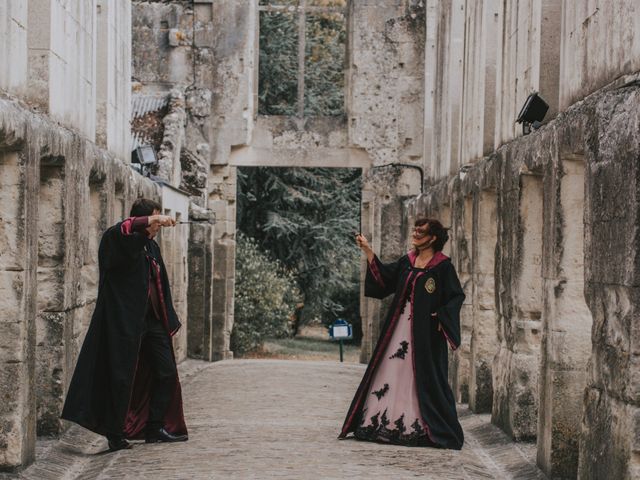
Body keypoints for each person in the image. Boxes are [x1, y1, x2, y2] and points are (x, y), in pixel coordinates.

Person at [61, 198, 188, 451]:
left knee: (166, 372)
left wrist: (168, 319)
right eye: (154, 220)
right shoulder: (116, 240)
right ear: (143, 220)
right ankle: (115, 434)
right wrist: (151, 220)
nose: (158, 226)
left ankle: (155, 427)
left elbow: (160, 285)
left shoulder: (151, 247)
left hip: (152, 322)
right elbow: (123, 229)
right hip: (123, 323)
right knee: (121, 378)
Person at [339, 218, 465, 449]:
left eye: (421, 232)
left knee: (420, 376)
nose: (415, 235)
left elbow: (456, 296)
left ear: (433, 238)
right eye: (415, 231)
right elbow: (385, 278)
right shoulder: (408, 260)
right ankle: (382, 420)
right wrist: (368, 250)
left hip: (426, 337)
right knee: (391, 371)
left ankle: (416, 425)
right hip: (399, 330)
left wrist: (442, 317)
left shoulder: (442, 266)